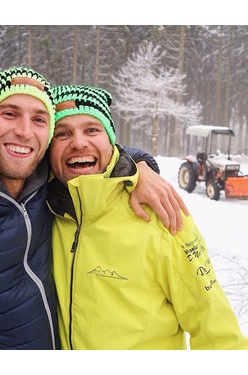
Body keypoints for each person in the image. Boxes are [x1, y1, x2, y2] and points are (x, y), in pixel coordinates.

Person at [0, 67, 185, 350]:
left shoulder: (50, 191)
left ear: (46, 138)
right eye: (9, 114)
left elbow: (92, 149)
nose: (24, 131)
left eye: (38, 119)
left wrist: (141, 167)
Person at [46, 85, 248, 349]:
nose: (79, 142)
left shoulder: (162, 212)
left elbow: (217, 332)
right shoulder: (42, 207)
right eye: (62, 133)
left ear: (111, 141)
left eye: (92, 129)